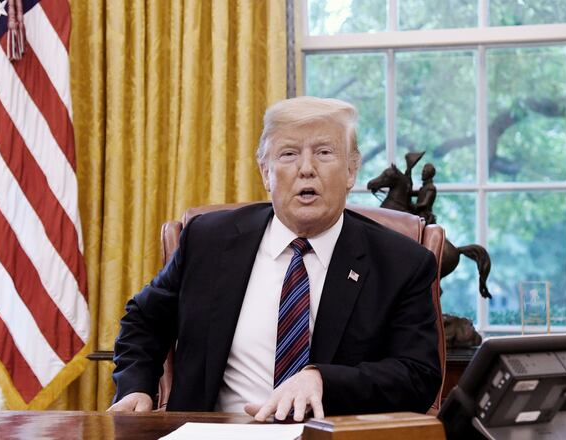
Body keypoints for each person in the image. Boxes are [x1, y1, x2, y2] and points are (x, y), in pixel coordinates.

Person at [109, 96, 441, 421]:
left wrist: (324, 380)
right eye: (289, 154)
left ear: (351, 171)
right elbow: (144, 319)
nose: (306, 169)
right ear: (265, 172)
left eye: (324, 153)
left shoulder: (400, 262)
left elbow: (417, 376)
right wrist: (135, 388)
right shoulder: (208, 240)